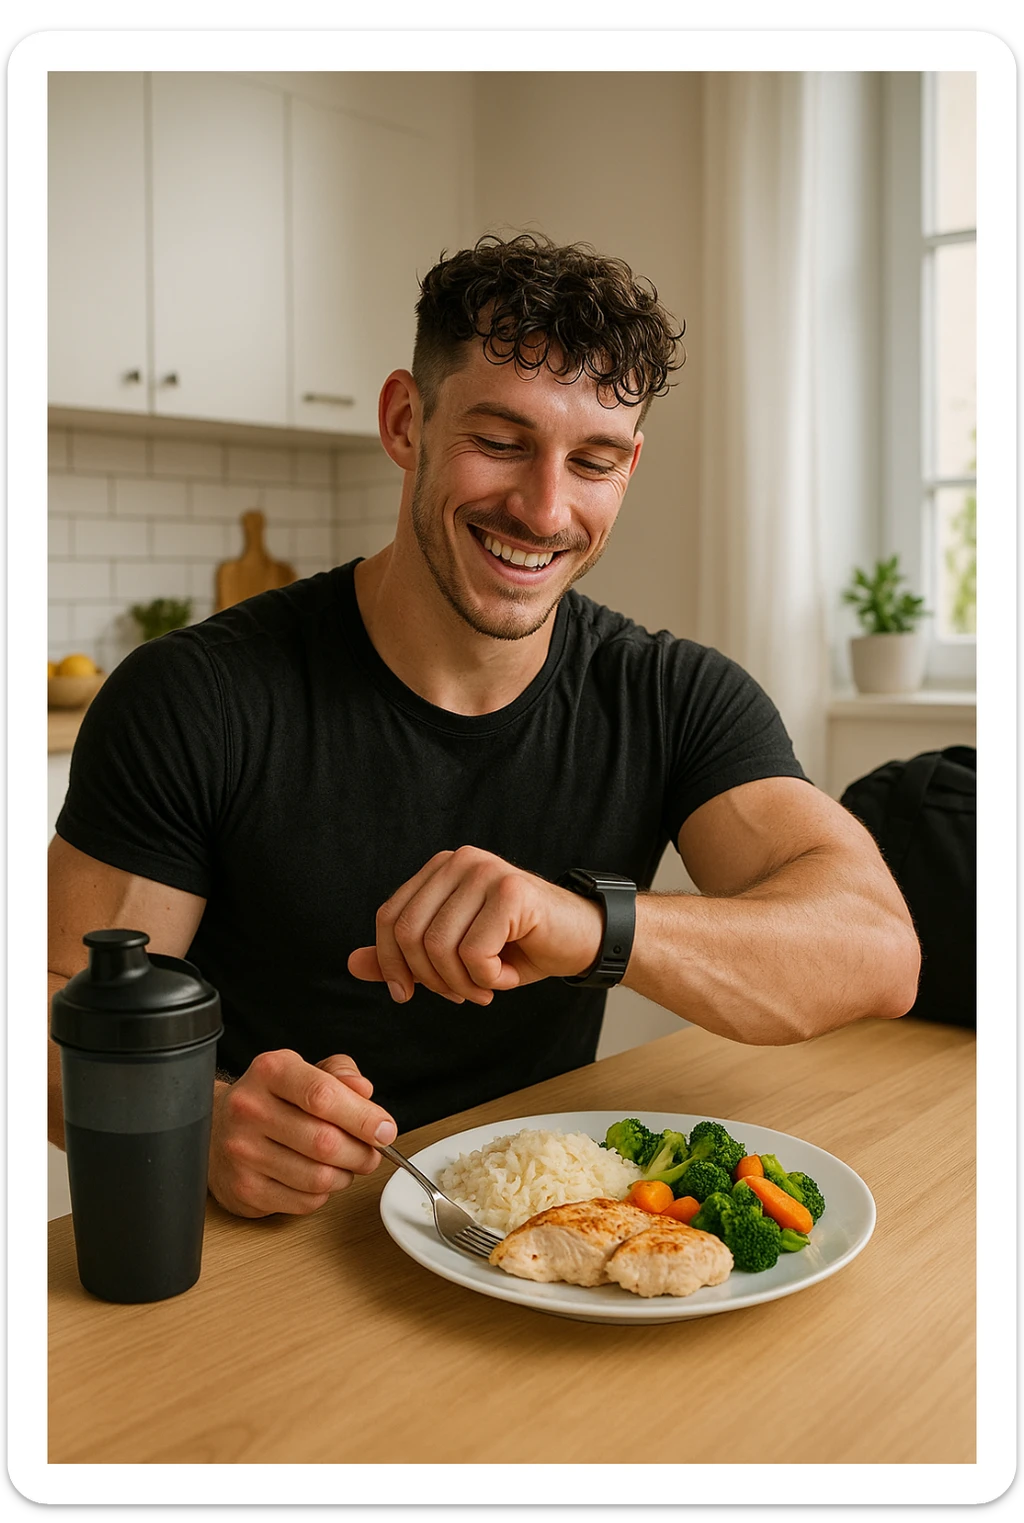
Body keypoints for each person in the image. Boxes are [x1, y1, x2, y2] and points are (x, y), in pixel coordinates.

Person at [47, 232, 921, 1220]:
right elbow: (53, 1009)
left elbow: (876, 951)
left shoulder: (673, 694)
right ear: (403, 421)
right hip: (265, 1244)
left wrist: (588, 925)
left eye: (591, 460)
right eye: (500, 442)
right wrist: (193, 1122)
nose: (544, 508)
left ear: (628, 468)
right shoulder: (192, 695)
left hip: (532, 1237)